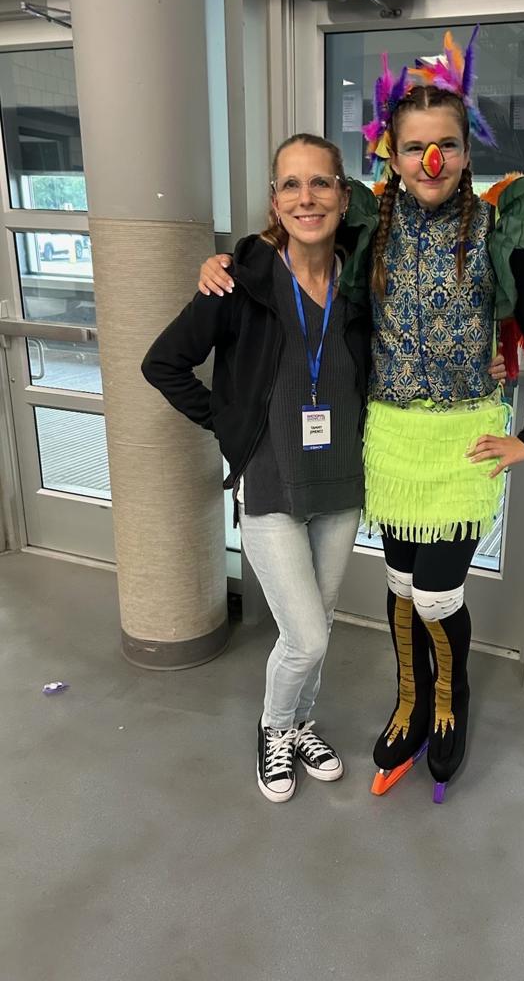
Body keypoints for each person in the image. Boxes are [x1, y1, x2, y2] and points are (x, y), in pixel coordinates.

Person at [196, 28, 524, 802]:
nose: (431, 160)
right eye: (415, 147)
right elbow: (295, 232)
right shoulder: (370, 228)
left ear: (465, 152)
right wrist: (224, 261)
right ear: (391, 156)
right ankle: (409, 700)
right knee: (399, 584)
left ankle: (450, 700)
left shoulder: (500, 232)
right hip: (390, 436)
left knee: (436, 593)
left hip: (463, 441)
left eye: (446, 145)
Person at [142, 134, 376, 803]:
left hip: (340, 481)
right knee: (305, 636)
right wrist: (228, 422)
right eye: (291, 185)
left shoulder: (362, 281)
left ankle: (302, 722)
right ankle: (274, 728)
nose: (307, 197)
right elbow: (163, 362)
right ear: (275, 201)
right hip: (271, 483)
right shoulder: (239, 281)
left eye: (321, 182)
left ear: (343, 196)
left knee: (319, 623)